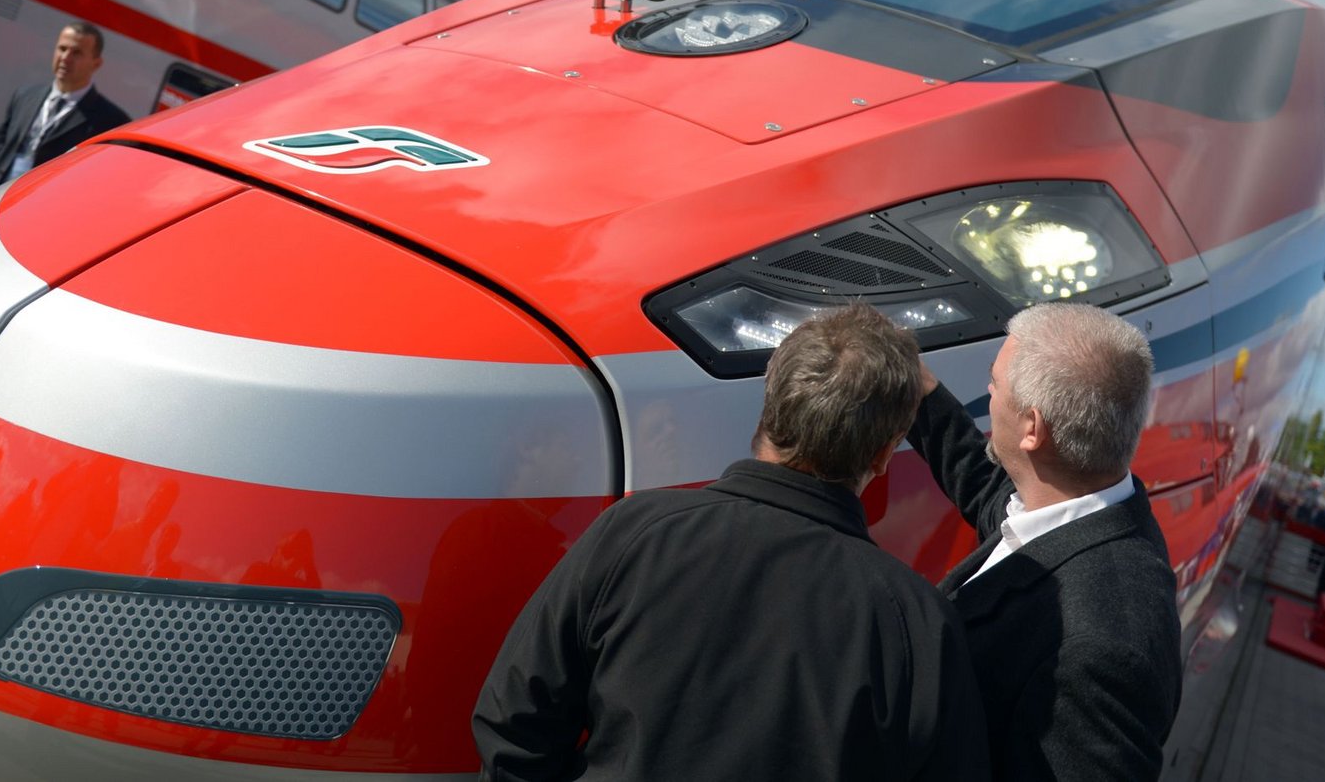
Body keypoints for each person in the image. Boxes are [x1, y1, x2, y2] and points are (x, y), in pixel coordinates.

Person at [472, 303, 988, 781]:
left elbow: (514, 722)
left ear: (769, 405)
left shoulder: (634, 534)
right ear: (881, 458)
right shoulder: (913, 621)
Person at [906, 302, 1181, 781]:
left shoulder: (1101, 655)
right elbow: (988, 489)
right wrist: (919, 392)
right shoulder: (1079, 502)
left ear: (1033, 428)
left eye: (994, 383)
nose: (988, 394)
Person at [0, 21, 130, 237]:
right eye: (62, 49)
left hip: (39, 227)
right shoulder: (25, 96)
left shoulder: (111, 121)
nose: (65, 58)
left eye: (77, 53)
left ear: (96, 63)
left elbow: (97, 192)